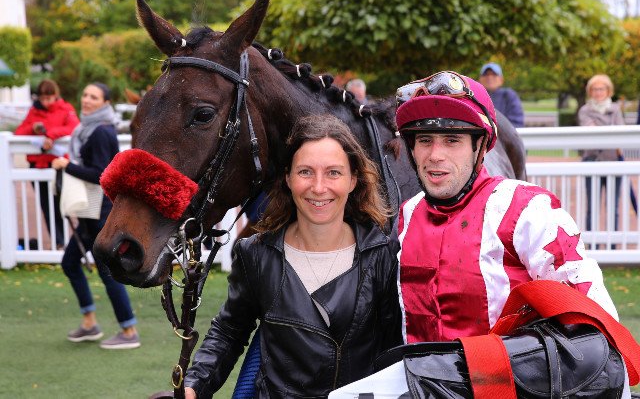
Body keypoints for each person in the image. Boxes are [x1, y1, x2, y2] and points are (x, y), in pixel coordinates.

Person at [388, 70, 630, 397]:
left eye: (452, 140)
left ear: (480, 146)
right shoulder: (407, 214)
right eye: (424, 140)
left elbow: (599, 338)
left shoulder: (527, 209)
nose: (435, 156)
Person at [184, 114, 401, 398]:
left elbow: (395, 348)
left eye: (333, 173)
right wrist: (193, 386)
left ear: (353, 180)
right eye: (305, 172)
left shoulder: (383, 255)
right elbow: (230, 331)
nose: (319, 187)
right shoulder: (256, 255)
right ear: (287, 178)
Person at [51, 83, 140, 350]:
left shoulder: (100, 131)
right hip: (91, 210)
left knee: (106, 271)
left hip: (101, 212)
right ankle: (90, 323)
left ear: (105, 103)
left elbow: (100, 174)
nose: (86, 100)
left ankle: (129, 331)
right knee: (70, 263)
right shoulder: (88, 128)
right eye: (85, 95)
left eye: (94, 97)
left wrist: (68, 166)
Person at [14, 79, 79, 248]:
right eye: (42, 98)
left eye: (48, 98)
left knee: (62, 205)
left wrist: (51, 134)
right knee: (47, 206)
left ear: (55, 95)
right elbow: (19, 132)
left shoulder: (66, 109)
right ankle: (59, 242)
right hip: (38, 165)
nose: (45, 102)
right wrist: (33, 128)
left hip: (57, 164)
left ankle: (70, 242)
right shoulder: (34, 111)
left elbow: (74, 128)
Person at [578, 74, 625, 232]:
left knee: (613, 206)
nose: (598, 92)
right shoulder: (585, 110)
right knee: (592, 206)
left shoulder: (615, 109)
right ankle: (593, 242)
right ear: (590, 91)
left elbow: (620, 132)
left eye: (601, 89)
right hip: (592, 160)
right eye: (595, 89)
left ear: (608, 91)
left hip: (613, 160)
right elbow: (591, 131)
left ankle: (612, 242)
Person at [478, 62, 525, 127]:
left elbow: (517, 123)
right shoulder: (473, 96)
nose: (489, 77)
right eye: (486, 74)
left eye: (494, 74)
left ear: (501, 79)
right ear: (480, 79)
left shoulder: (509, 95)